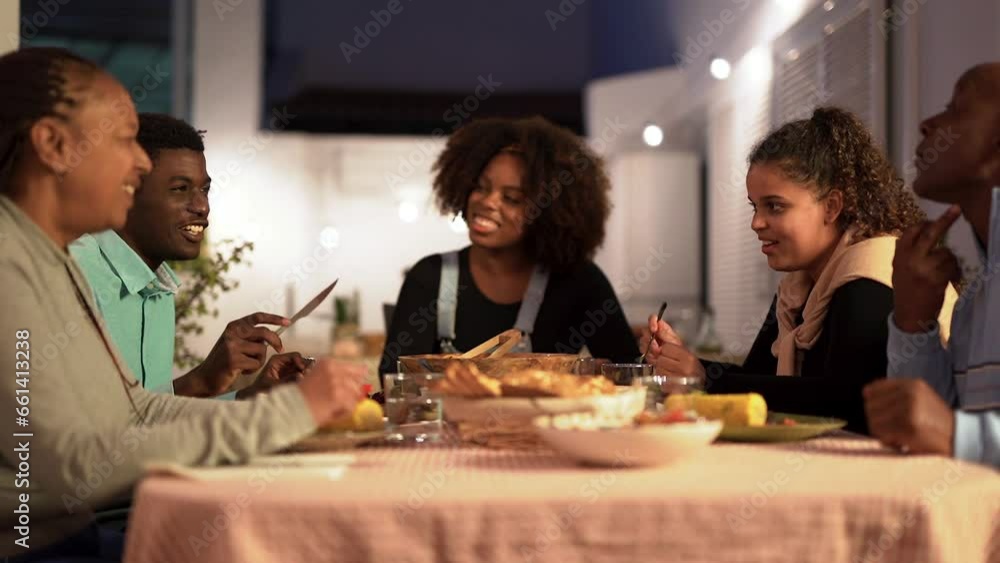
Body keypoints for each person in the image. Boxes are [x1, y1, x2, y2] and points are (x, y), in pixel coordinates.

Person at [0, 47, 363, 561]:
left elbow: (135, 409)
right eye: (125, 140)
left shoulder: (50, 256)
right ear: (54, 145)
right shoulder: (8, 263)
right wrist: (286, 415)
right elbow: (63, 466)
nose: (140, 160)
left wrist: (268, 408)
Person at [646, 107, 955, 432]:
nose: (756, 223)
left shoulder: (872, 274)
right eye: (755, 206)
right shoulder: (799, 286)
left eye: (775, 206)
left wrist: (703, 376)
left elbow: (843, 403)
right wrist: (687, 365)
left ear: (832, 206)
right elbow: (758, 379)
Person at [378, 116, 639, 383]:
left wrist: (668, 367)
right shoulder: (430, 277)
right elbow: (393, 383)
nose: (488, 202)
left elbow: (631, 375)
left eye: (511, 198)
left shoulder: (578, 281)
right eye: (480, 187)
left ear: (549, 212)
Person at [70, 113, 305, 399]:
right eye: (180, 189)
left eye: (204, 190)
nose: (202, 206)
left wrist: (250, 398)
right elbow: (96, 433)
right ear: (127, 192)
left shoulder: (159, 291)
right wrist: (206, 380)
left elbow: (150, 418)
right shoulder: (74, 271)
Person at [864, 63, 1000, 467]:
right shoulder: (975, 296)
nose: (927, 124)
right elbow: (922, 436)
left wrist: (960, 436)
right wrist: (913, 319)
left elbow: (947, 434)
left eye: (956, 109)